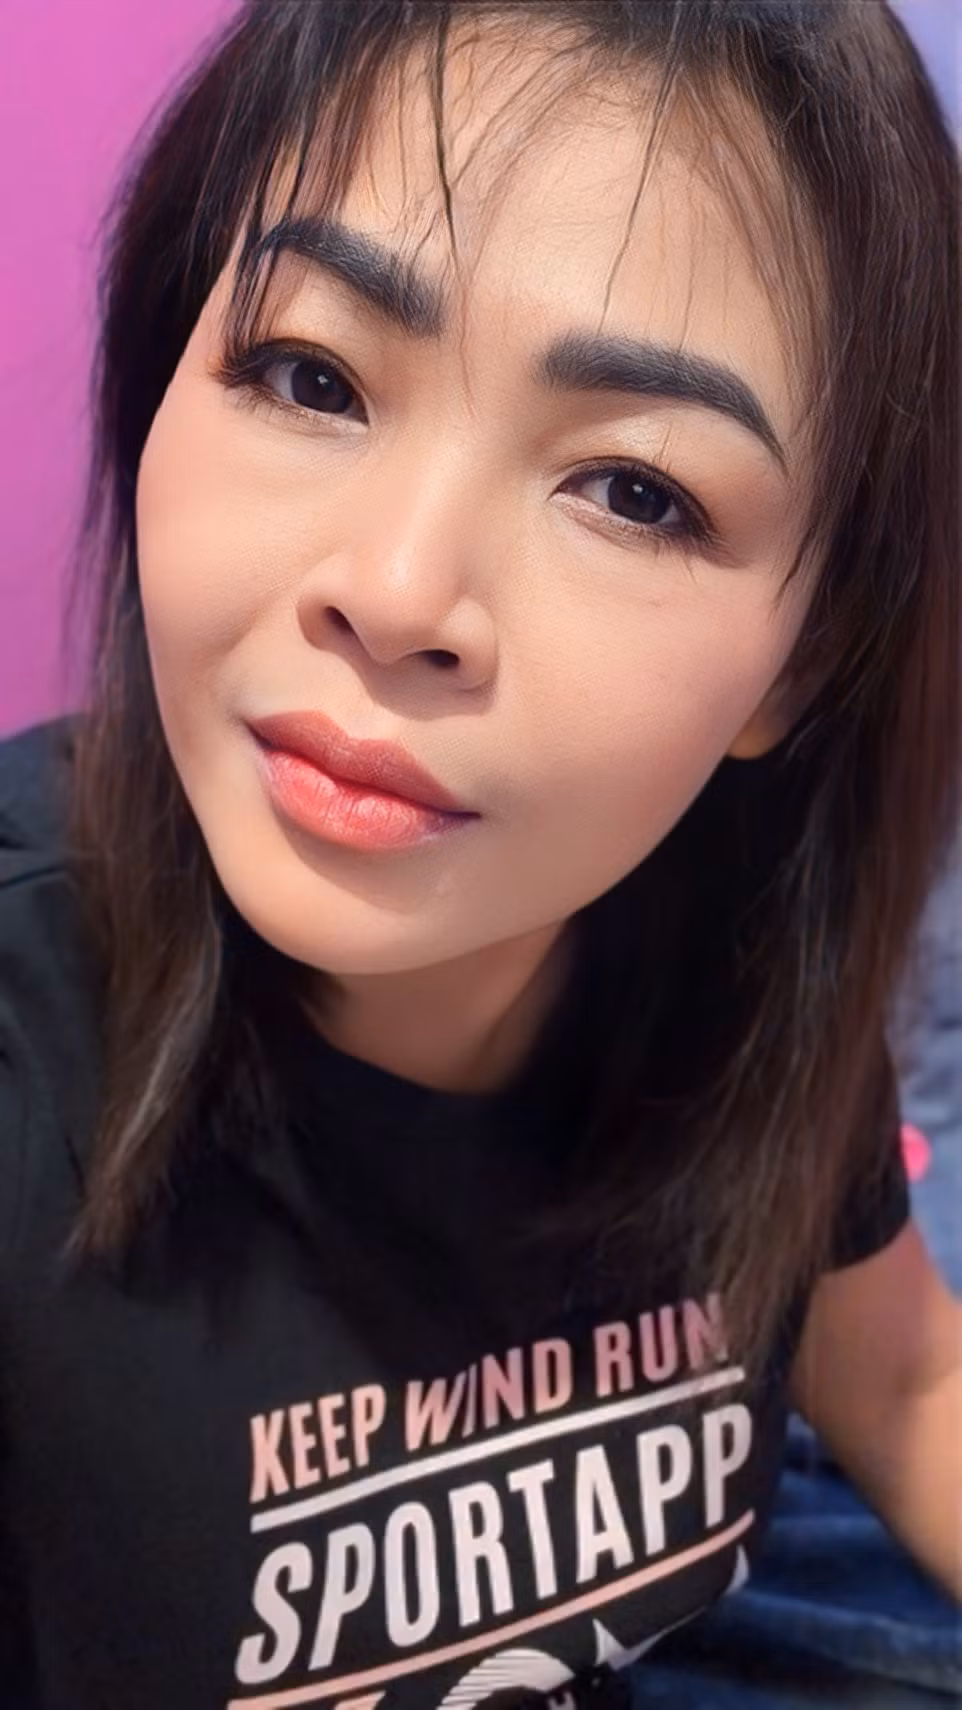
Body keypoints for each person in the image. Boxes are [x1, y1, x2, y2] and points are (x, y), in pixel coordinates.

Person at [0, 3, 959, 1707]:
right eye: (311, 377)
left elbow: (898, 1382)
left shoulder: (733, 959)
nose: (398, 592)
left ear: (804, 659)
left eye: (634, 491)